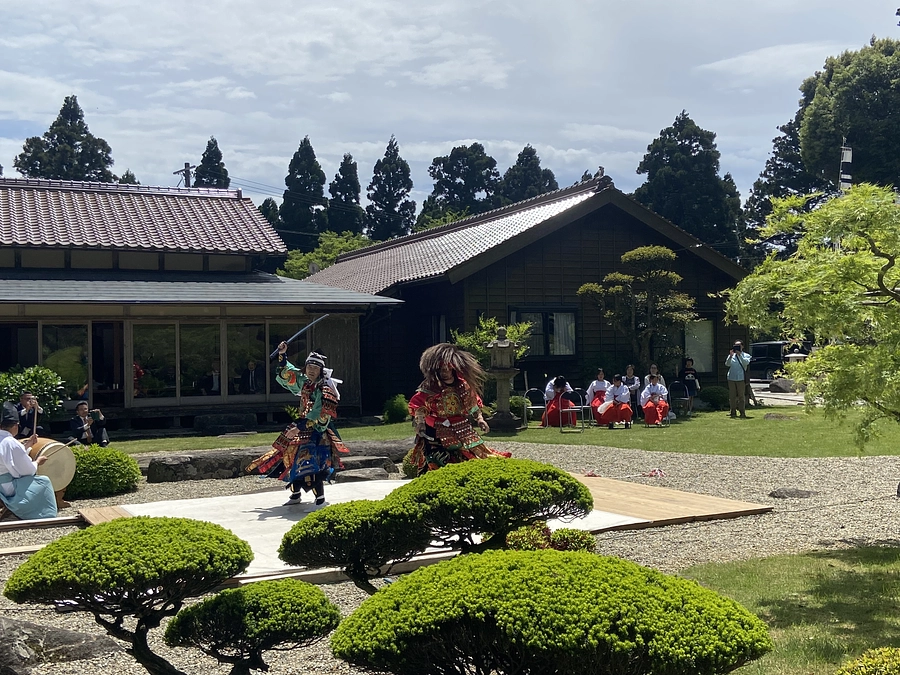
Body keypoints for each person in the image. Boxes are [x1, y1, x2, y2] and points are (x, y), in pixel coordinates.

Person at [247, 346, 348, 506]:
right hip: (301, 426)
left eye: (315, 368)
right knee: (290, 457)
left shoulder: (325, 389)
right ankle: (295, 494)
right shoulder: (305, 381)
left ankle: (320, 499)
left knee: (309, 462)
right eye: (309, 367)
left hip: (317, 432)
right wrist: (282, 354)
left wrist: (299, 426)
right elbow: (288, 371)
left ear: (321, 370)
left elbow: (319, 413)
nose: (312, 370)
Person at [407, 343, 511, 475]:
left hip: (462, 427)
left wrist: (480, 419)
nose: (444, 373)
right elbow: (419, 405)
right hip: (437, 429)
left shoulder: (462, 385)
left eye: (447, 369)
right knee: (436, 459)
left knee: (475, 454)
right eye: (441, 370)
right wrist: (420, 423)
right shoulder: (431, 387)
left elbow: (472, 403)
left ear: (453, 369)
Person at [0, 402, 57, 520]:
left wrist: (28, 444)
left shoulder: (7, 441)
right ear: (16, 426)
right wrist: (37, 462)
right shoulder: (10, 442)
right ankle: (43, 514)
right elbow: (28, 470)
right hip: (7, 487)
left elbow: (10, 455)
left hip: (2, 483)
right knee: (44, 481)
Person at [725, 341, 751, 419]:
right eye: (735, 345)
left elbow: (746, 363)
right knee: (732, 396)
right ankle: (732, 411)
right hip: (731, 378)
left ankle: (742, 412)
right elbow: (727, 364)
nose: (737, 347)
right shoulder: (732, 355)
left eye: (738, 345)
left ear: (742, 346)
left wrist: (740, 355)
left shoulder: (746, 355)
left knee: (741, 396)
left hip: (740, 378)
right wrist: (730, 356)